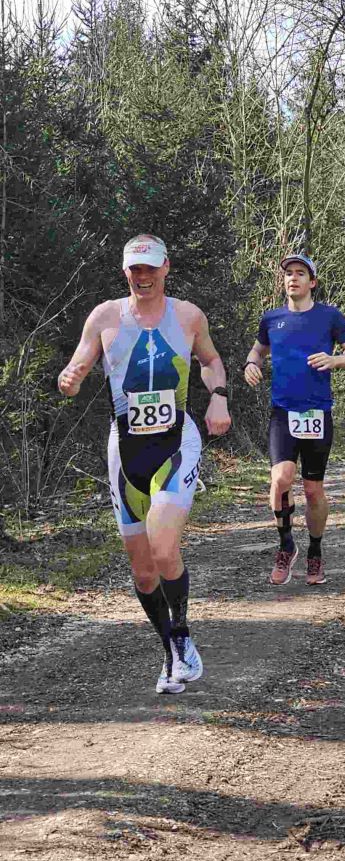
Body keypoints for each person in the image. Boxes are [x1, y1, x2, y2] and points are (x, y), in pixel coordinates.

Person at [58, 233, 231, 694]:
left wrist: (218, 396)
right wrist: (70, 379)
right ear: (125, 272)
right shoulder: (105, 316)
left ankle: (183, 634)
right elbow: (78, 366)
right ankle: (171, 651)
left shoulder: (188, 315)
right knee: (142, 570)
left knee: (163, 546)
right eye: (135, 269)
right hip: (125, 450)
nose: (143, 276)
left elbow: (211, 360)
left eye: (151, 267)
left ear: (166, 267)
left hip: (176, 442)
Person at [244, 254, 345, 587]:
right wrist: (251, 364)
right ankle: (286, 545)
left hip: (317, 413)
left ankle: (315, 551)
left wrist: (334, 360)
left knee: (313, 490)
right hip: (283, 412)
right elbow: (257, 351)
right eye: (288, 273)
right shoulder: (272, 318)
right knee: (281, 478)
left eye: (300, 273)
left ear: (312, 282)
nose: (293, 278)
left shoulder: (329, 317)